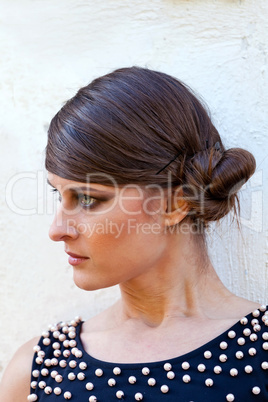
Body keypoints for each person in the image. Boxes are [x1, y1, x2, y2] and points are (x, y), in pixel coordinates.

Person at [0, 67, 267, 402]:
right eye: (59, 195)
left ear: (175, 203)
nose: (57, 230)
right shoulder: (36, 371)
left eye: (87, 199)